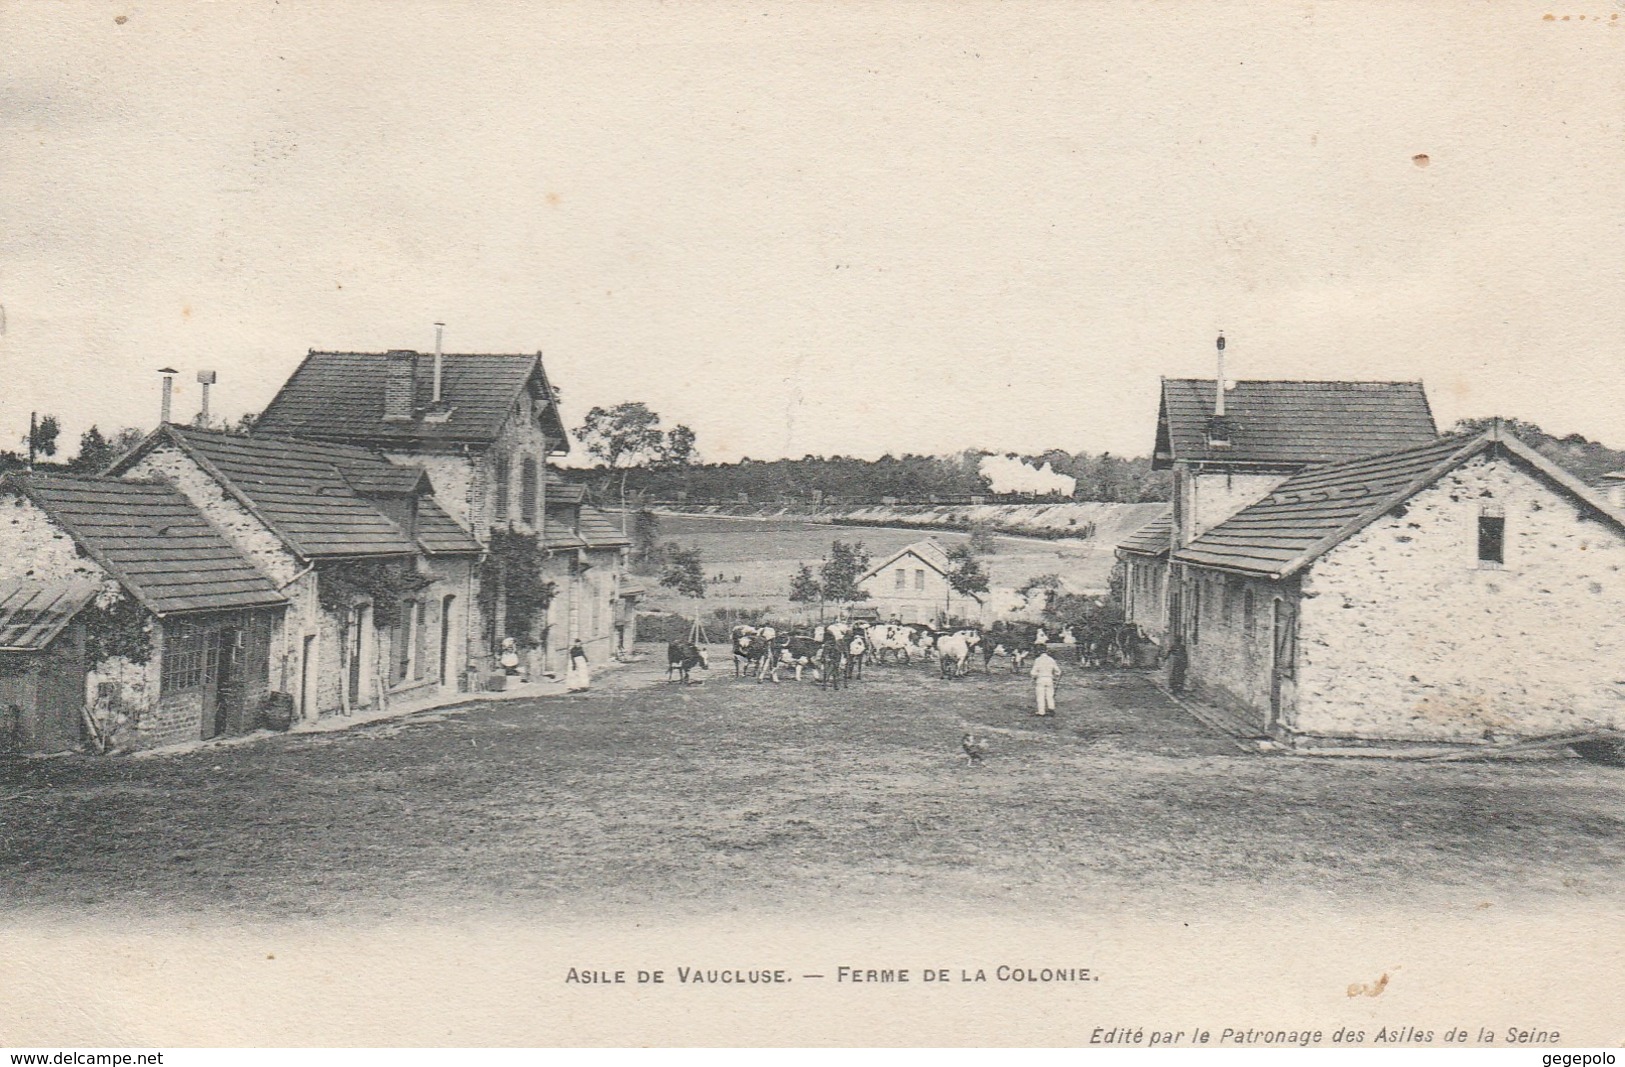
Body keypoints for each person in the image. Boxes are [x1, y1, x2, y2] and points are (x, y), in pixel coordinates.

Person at [1029, 641, 1061, 717]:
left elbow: (1033, 672)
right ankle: (1051, 708)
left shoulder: (1038, 660)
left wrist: (1034, 677)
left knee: (1040, 696)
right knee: (1050, 695)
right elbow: (1058, 671)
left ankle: (1041, 711)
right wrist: (1055, 677)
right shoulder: (1051, 659)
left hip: (1040, 679)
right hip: (1049, 679)